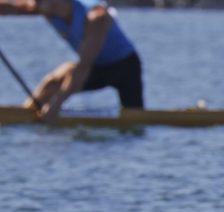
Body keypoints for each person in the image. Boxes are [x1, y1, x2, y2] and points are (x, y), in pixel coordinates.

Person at [0, 0, 143, 123]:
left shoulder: (95, 17)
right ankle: (24, 115)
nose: (35, 4)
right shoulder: (49, 8)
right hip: (95, 65)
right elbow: (14, 7)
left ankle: (48, 113)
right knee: (53, 82)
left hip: (125, 67)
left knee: (135, 117)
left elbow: (83, 67)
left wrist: (56, 105)